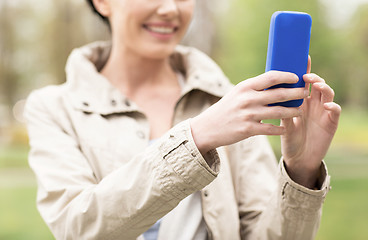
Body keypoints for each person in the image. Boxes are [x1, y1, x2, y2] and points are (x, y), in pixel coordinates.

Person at [24, 0, 341, 239]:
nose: (170, 8)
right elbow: (78, 227)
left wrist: (301, 171)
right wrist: (196, 138)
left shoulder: (233, 102)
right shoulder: (54, 108)